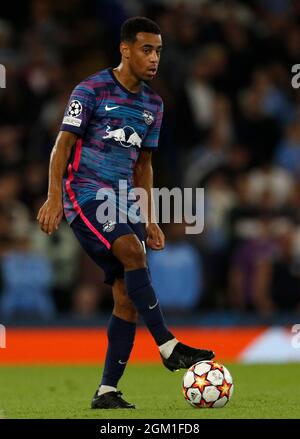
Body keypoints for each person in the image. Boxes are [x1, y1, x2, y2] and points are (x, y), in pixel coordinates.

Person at [37, 16, 214, 409]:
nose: (154, 59)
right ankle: (168, 345)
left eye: (159, 51)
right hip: (83, 193)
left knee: (126, 296)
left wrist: (150, 218)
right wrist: (52, 198)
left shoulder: (154, 104)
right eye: (147, 50)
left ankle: (106, 391)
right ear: (126, 49)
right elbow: (61, 147)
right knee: (133, 253)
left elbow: (144, 166)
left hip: (124, 200)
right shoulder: (92, 89)